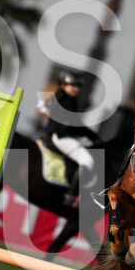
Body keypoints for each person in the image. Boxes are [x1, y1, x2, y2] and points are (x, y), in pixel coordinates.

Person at [41, 70, 101, 206]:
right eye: (72, 85)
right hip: (60, 137)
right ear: (63, 85)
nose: (76, 88)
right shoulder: (63, 99)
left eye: (78, 86)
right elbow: (72, 124)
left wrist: (89, 134)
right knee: (87, 161)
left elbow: (75, 124)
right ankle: (71, 195)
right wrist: (89, 134)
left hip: (65, 136)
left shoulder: (69, 99)